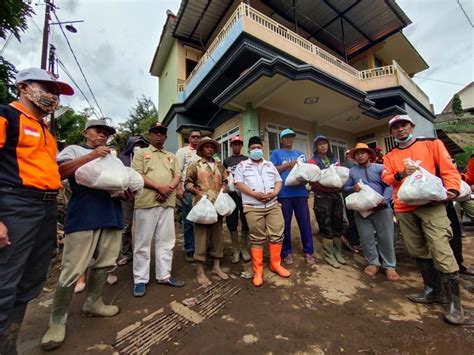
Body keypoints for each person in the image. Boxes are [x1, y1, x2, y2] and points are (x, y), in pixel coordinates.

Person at [0, 68, 74, 353]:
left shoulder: (46, 131)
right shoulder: (7, 115)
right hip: (15, 204)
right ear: (23, 86)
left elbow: (51, 172)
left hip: (45, 207)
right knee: (5, 283)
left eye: (56, 92)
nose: (53, 96)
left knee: (29, 282)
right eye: (46, 87)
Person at [41, 119, 131, 349]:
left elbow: (118, 182)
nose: (103, 135)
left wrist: (124, 193)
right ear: (85, 133)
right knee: (72, 269)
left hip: (111, 215)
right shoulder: (73, 149)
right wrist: (92, 156)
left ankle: (93, 303)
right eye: (98, 131)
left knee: (105, 263)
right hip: (83, 216)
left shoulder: (112, 157)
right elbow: (59, 172)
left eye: (106, 133)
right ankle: (57, 321)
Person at [382, 114, 464, 325]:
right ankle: (432, 290)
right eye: (395, 127)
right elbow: (387, 178)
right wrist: (400, 174)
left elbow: (448, 170)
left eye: (404, 125)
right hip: (404, 208)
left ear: (412, 126)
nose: (400, 130)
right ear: (391, 132)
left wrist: (452, 190)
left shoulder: (432, 144)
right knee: (417, 250)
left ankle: (455, 303)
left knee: (441, 248)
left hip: (431, 206)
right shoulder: (390, 156)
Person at [132, 123, 184, 297]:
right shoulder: (140, 153)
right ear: (150, 134)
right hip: (147, 202)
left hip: (167, 203)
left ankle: (164, 275)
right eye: (155, 133)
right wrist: (158, 188)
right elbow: (137, 174)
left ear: (166, 137)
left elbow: (178, 175)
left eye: (162, 133)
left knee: (167, 241)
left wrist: (167, 188)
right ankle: (140, 279)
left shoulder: (171, 156)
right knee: (142, 242)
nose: (159, 136)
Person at [234, 136, 291, 287]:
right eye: (253, 148)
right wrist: (255, 195)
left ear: (262, 149)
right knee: (257, 237)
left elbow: (279, 181)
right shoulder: (242, 165)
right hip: (253, 206)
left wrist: (275, 193)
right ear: (249, 150)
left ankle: (275, 264)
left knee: (278, 233)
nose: (256, 150)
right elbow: (238, 183)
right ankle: (258, 270)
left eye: (258, 147)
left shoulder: (269, 165)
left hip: (272, 204)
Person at [344, 143, 399, 280]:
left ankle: (389, 266)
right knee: (366, 237)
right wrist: (352, 188)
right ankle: (373, 263)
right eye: (357, 154)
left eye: (363, 153)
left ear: (369, 155)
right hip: (362, 209)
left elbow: (389, 185)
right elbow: (345, 188)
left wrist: (384, 201)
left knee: (386, 237)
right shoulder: (353, 172)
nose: (360, 155)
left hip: (382, 208)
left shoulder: (380, 168)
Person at [185, 137, 229, 286]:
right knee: (201, 237)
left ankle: (216, 266)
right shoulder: (195, 165)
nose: (209, 149)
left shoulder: (220, 166)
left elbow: (226, 180)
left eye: (211, 147)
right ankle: (200, 270)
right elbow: (187, 183)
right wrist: (197, 192)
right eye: (206, 147)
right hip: (202, 206)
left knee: (217, 236)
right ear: (202, 149)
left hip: (217, 206)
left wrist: (224, 188)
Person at [270, 128, 315, 265]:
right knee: (285, 225)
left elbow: (306, 171)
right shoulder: (276, 153)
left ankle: (309, 252)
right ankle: (286, 252)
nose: (289, 139)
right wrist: (288, 165)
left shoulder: (300, 154)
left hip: (300, 193)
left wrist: (307, 178)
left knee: (305, 223)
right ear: (282, 139)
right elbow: (272, 170)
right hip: (284, 194)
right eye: (286, 137)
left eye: (291, 137)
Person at [308, 136, 346, 268]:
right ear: (316, 147)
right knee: (325, 223)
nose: (323, 146)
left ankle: (338, 252)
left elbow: (341, 174)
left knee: (338, 221)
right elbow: (312, 179)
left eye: (325, 143)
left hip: (336, 195)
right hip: (322, 196)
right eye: (320, 144)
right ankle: (329, 254)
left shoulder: (334, 160)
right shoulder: (312, 161)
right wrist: (327, 188)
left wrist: (338, 186)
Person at [118, 135, 148, 266]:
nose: (138, 147)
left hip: (143, 195)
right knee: (126, 226)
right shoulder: (121, 159)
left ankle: (142, 253)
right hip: (126, 196)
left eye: (141, 145)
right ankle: (126, 253)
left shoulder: (146, 157)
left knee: (144, 225)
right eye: (136, 144)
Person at [223, 135, 250, 263]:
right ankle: (235, 250)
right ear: (231, 146)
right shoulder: (227, 161)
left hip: (244, 195)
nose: (237, 146)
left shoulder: (247, 159)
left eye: (239, 144)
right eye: (234, 144)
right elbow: (224, 177)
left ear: (241, 146)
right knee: (232, 222)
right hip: (231, 196)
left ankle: (244, 248)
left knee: (246, 221)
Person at [176, 129, 202, 262]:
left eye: (198, 137)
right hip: (187, 190)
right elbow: (177, 171)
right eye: (193, 137)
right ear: (189, 138)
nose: (196, 139)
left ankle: (201, 248)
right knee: (188, 221)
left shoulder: (203, 153)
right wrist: (179, 189)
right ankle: (189, 249)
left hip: (202, 191)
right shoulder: (182, 152)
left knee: (202, 220)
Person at [341, 150, 361, 251]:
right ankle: (353, 240)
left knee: (351, 217)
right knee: (356, 218)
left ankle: (352, 239)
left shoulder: (343, 165)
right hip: (355, 195)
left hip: (347, 195)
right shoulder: (353, 165)